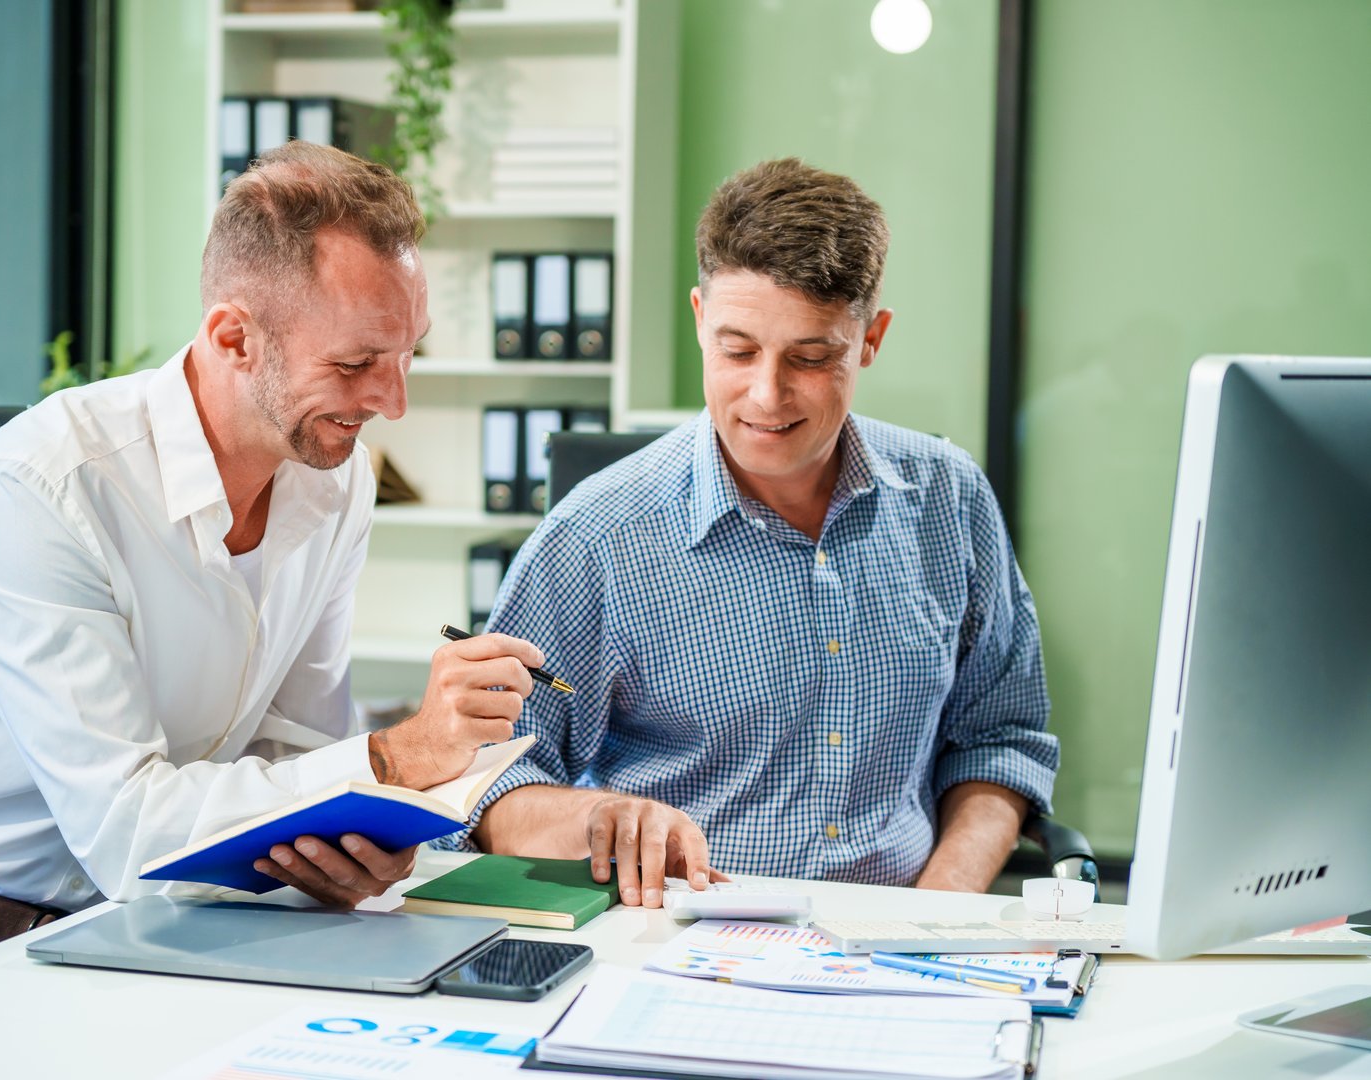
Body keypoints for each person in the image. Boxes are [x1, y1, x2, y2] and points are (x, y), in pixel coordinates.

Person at [0, 141, 543, 1035]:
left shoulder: (334, 479)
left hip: (135, 937)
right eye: (357, 364)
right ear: (232, 338)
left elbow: (295, 748)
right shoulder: (47, 487)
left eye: (407, 356)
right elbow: (131, 831)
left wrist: (356, 841)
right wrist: (393, 759)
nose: (392, 401)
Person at [451, 158, 1058, 909]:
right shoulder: (599, 534)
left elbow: (1001, 737)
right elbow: (486, 777)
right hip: (679, 939)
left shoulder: (948, 498)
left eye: (811, 357)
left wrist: (937, 910)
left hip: (905, 938)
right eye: (738, 351)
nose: (767, 395)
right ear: (700, 317)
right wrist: (591, 817)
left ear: (870, 339)